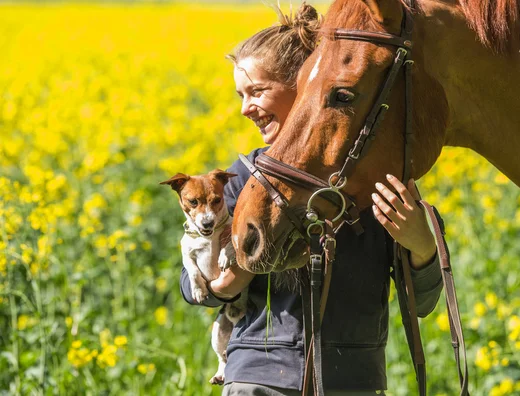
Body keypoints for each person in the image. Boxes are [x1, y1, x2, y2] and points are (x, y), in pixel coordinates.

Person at [180, 4, 443, 395]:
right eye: (240, 94)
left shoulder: (371, 181)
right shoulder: (244, 182)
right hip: (258, 377)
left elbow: (422, 302)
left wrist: (423, 243)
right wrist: (231, 275)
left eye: (257, 91)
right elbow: (192, 287)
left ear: (306, 86)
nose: (244, 108)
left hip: (352, 380)